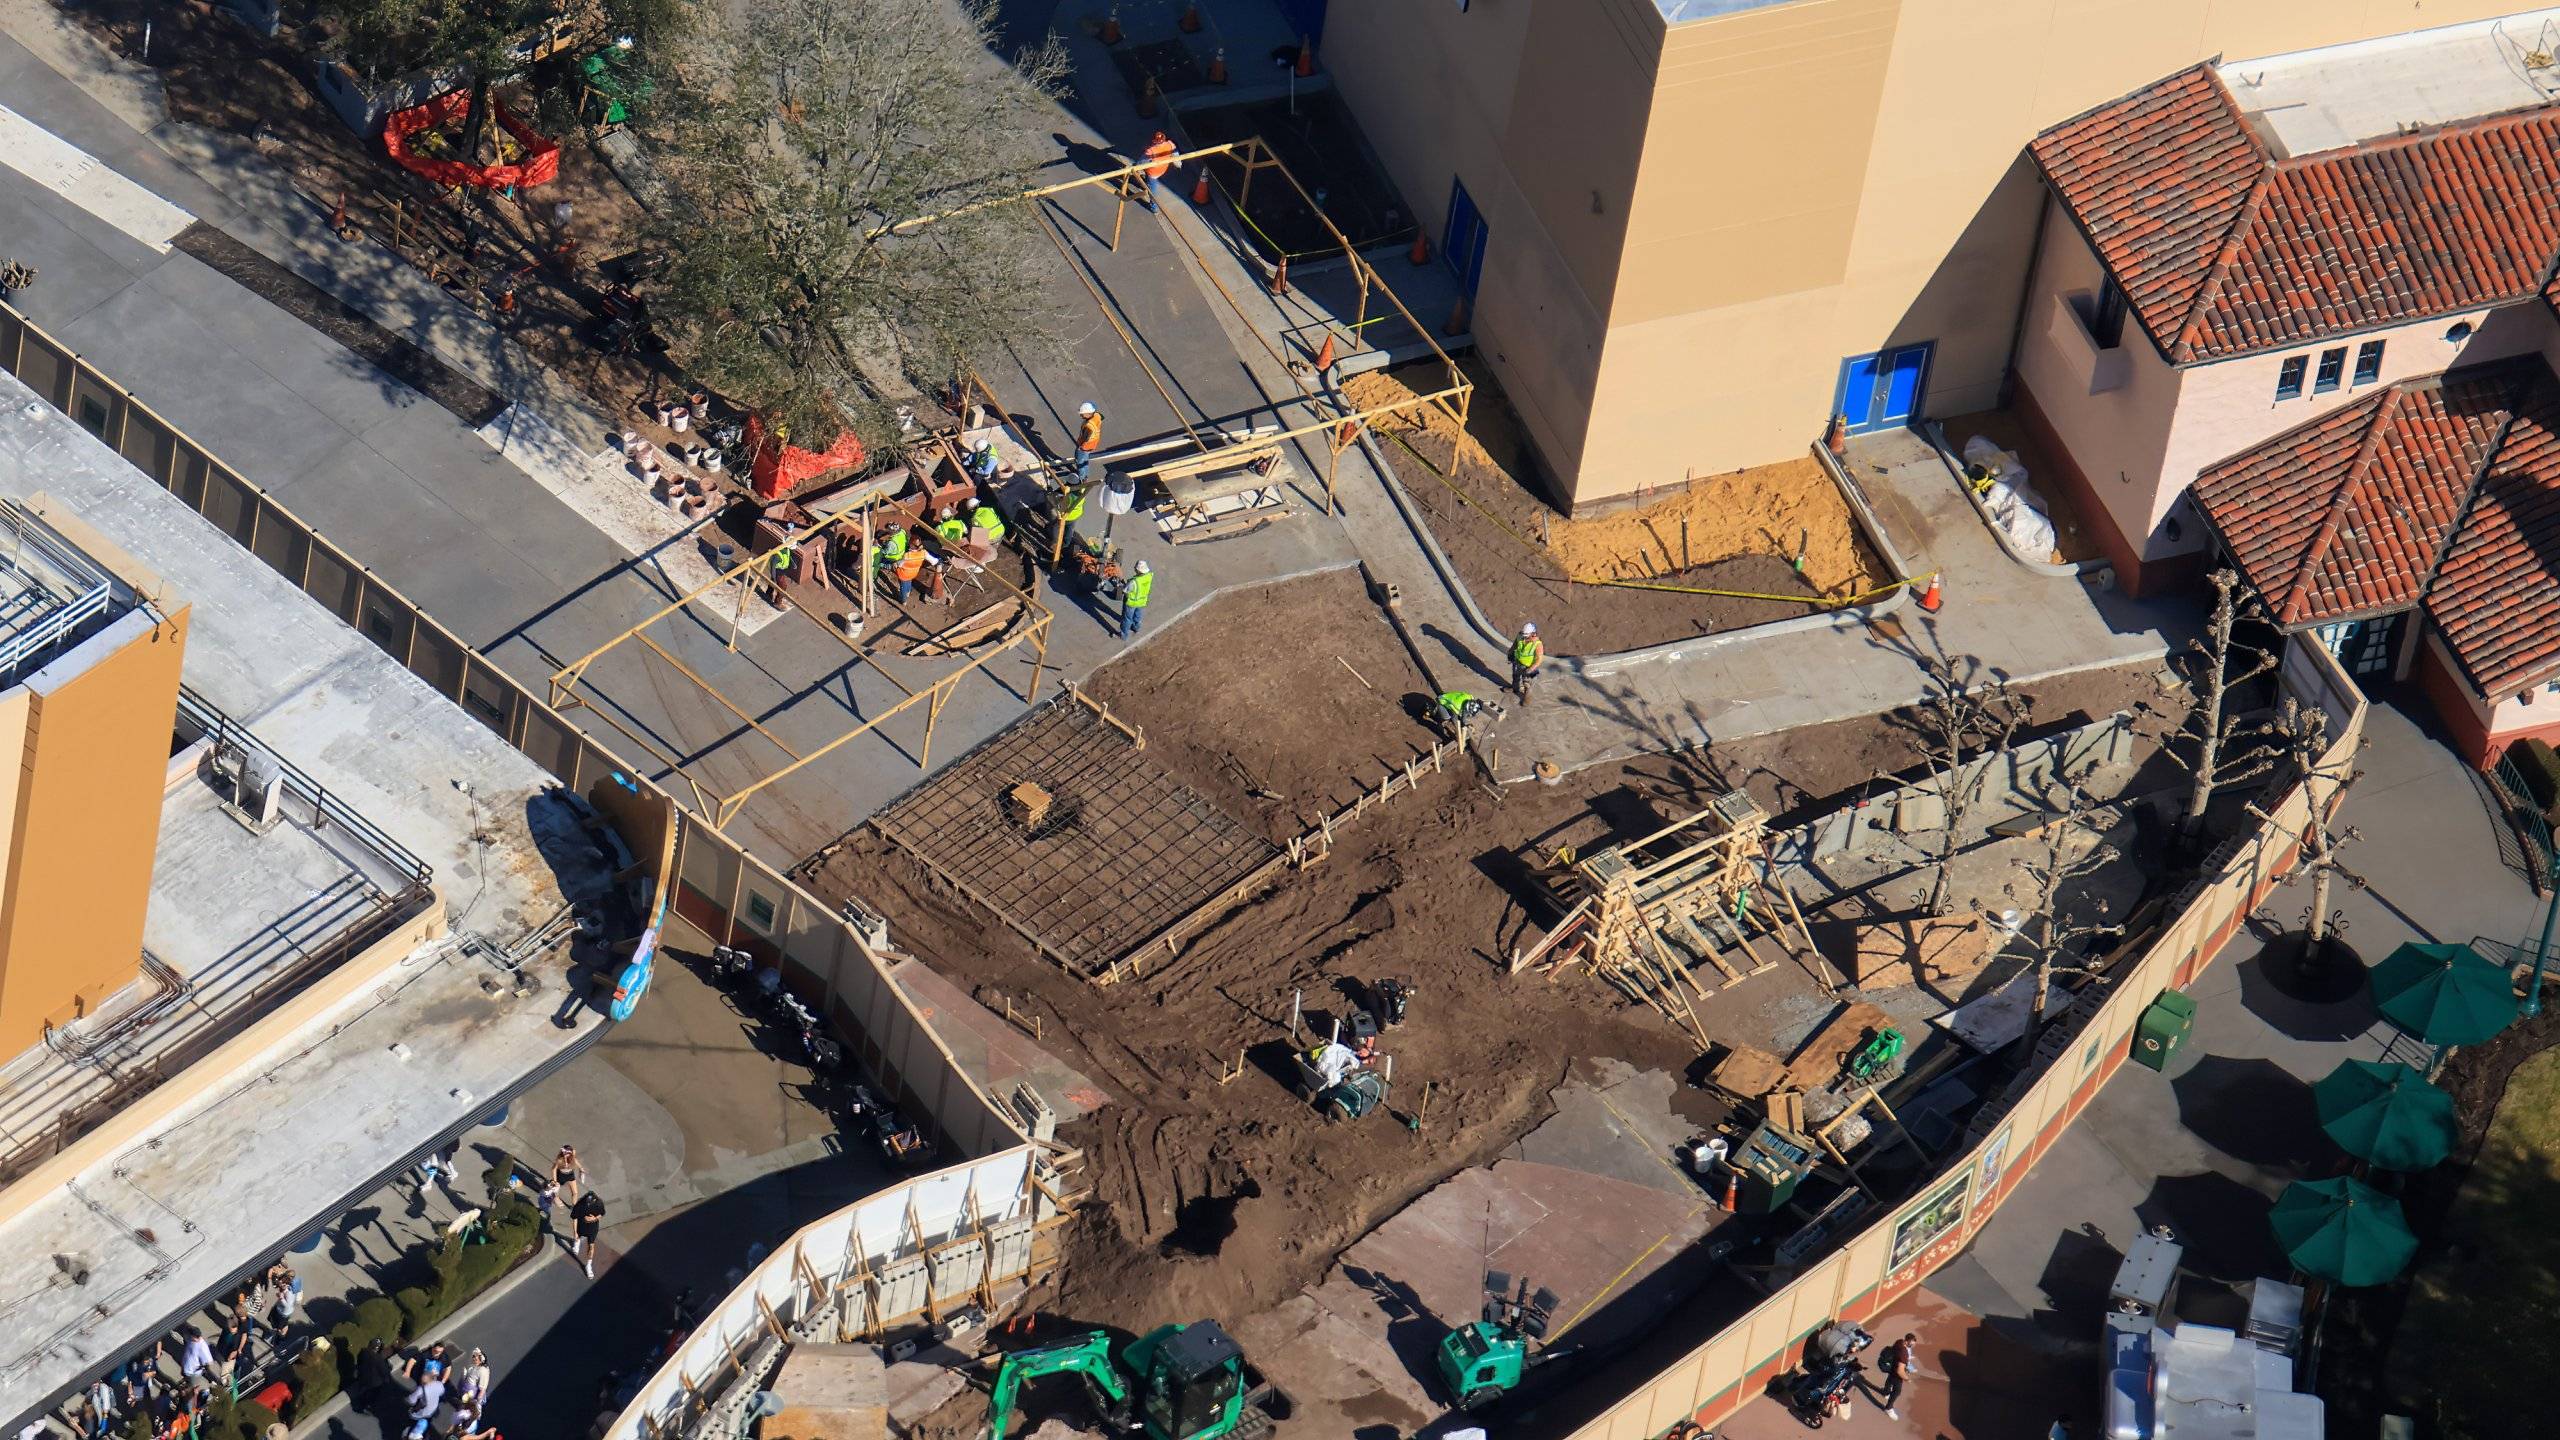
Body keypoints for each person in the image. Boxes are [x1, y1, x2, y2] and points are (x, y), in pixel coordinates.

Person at [1875, 1331, 1916, 1419]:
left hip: (1891, 1367)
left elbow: (1895, 1353)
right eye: (1912, 1343)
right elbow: (1900, 1371)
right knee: (1897, 1391)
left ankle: (1886, 1392)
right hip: (1896, 1373)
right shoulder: (1904, 1353)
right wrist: (1907, 1379)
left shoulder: (1899, 1341)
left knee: (1889, 1380)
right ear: (1908, 1341)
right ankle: (1889, 1408)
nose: (1913, 1345)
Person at [1138, 131, 1178, 212]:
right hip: (1163, 168)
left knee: (1153, 191)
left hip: (1152, 172)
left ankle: (1154, 207)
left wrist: (1135, 166)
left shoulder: (1151, 150)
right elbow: (1176, 154)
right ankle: (1145, 184)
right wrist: (1178, 164)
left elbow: (1141, 162)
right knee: (1149, 182)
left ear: (1154, 141)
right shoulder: (1170, 144)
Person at [572, 1190, 607, 1277]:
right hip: (581, 1226)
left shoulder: (599, 1203)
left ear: (595, 1200)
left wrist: (594, 1218)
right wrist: (575, 1232)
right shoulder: (580, 1204)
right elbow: (574, 1218)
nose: (588, 1204)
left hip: (593, 1228)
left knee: (591, 1246)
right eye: (587, 1202)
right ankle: (577, 1242)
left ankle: (588, 1265)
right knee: (578, 1236)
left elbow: (602, 1213)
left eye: (590, 1202)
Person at [1050, 480, 1087, 559]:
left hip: (1067, 516)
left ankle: (1055, 544)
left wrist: (1053, 493)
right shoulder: (1083, 490)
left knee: (1056, 527)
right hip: (1076, 515)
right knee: (1070, 530)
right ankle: (1066, 544)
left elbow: (1058, 503)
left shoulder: (1069, 497)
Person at [1509, 621, 1543, 703]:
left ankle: (1527, 700)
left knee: (1527, 684)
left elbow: (1539, 660)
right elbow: (1514, 646)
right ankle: (1515, 688)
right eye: (1524, 635)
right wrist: (1510, 654)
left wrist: (1530, 669)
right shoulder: (1520, 636)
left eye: (1526, 635)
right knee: (1515, 677)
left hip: (1528, 667)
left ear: (1533, 633)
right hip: (1517, 662)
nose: (1524, 637)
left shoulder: (1537, 644)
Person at [1120, 559, 1153, 639]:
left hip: (1131, 603)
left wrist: (1123, 585)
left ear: (1138, 570)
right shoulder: (1149, 576)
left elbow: (1125, 591)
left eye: (1135, 568)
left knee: (1127, 619)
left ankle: (1123, 635)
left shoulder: (1134, 582)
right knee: (1138, 615)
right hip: (1142, 601)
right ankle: (1136, 627)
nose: (1134, 568)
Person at [405, 1376, 445, 1440]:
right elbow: (442, 1393)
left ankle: (409, 1434)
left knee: (412, 1421)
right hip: (431, 1412)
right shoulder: (439, 1385)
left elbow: (411, 1401)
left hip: (419, 1415)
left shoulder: (420, 1389)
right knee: (425, 1424)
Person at [1073, 402, 1103, 481]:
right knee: (1085, 459)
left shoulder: (1089, 426)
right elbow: (1102, 417)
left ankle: (1082, 478)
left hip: (1085, 446)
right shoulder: (1097, 415)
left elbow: (1086, 438)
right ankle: (1085, 475)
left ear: (1089, 413)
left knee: (1080, 461)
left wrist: (1080, 447)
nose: (1081, 415)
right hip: (1093, 444)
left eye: (1082, 414)